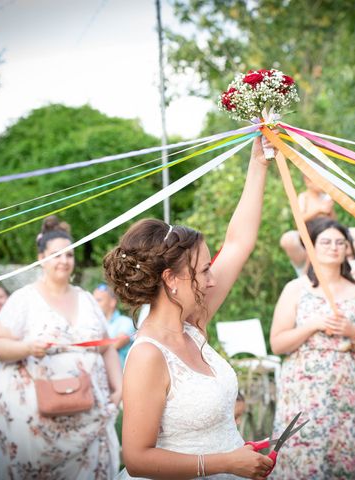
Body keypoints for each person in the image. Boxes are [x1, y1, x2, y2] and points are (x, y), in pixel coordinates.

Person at [104, 137, 274, 479]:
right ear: (172, 279)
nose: (212, 279)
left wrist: (258, 164)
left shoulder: (193, 321)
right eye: (204, 271)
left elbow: (239, 242)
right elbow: (136, 459)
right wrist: (226, 462)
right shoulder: (148, 355)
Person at [0, 216, 122, 479]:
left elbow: (107, 347)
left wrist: (119, 389)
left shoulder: (87, 299)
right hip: (36, 421)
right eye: (56, 255)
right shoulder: (23, 300)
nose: (63, 261)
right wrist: (27, 347)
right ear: (41, 258)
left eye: (69, 255)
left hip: (90, 413)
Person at [270, 217, 355, 478]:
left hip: (346, 384)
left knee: (344, 455)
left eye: (340, 242)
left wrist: (353, 333)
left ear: (348, 249)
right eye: (325, 241)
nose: (333, 247)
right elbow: (277, 343)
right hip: (303, 387)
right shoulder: (295, 289)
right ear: (312, 247)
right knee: (303, 453)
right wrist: (313, 325)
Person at [279, 174, 355, 275]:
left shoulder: (325, 198)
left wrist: (329, 209)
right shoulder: (304, 197)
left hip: (327, 231)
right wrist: (319, 210)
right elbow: (299, 220)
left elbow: (334, 221)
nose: (323, 184)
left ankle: (344, 258)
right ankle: (307, 272)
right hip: (309, 233)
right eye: (320, 180)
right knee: (301, 246)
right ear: (308, 182)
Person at [93, 283, 136, 368]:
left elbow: (114, 345)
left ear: (112, 302)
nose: (94, 304)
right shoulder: (92, 324)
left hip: (119, 379)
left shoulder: (125, 322)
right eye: (93, 301)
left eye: (98, 300)